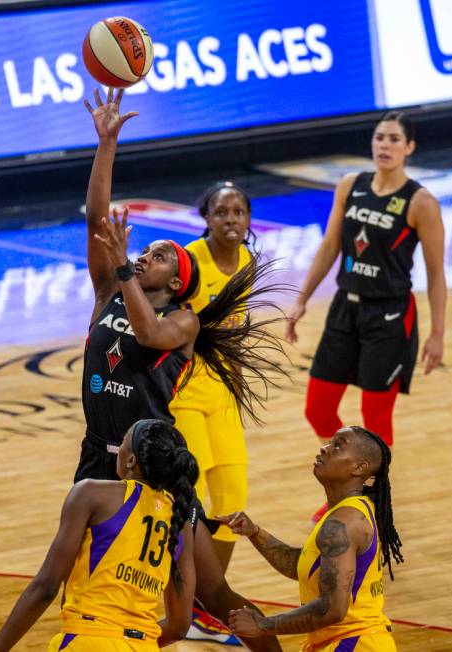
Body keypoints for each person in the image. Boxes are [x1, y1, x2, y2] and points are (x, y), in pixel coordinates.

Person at [76, 87, 284, 651]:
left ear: (176, 283)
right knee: (78, 581)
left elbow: (147, 335)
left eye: (162, 254)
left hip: (156, 467)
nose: (148, 253)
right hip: (100, 453)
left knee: (213, 596)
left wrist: (124, 267)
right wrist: (106, 144)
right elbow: (98, 216)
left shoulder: (183, 323)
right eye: (147, 251)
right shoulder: (108, 291)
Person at [285, 111, 446, 521]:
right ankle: (349, 481)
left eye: (394, 139)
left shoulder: (421, 202)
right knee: (317, 409)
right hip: (345, 308)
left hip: (390, 317)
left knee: (376, 420)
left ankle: (372, 503)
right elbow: (329, 245)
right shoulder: (350, 186)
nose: (384, 145)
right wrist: (302, 298)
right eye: (379, 138)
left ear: (409, 147)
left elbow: (436, 272)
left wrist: (437, 335)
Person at [0, 419, 199, 651]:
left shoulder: (92, 494)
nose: (118, 448)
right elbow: (179, 627)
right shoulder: (180, 521)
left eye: (123, 441)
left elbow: (46, 588)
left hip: (88, 639)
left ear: (131, 460)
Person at [220, 426, 403, 652]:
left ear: (359, 467)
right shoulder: (347, 512)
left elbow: (333, 609)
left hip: (353, 643)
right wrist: (255, 532)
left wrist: (263, 625)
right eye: (330, 442)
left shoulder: (343, 523)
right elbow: (305, 567)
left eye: (338, 446)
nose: (324, 448)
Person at [171, 180, 256, 574]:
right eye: (221, 212)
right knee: (191, 498)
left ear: (248, 218)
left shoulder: (248, 263)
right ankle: (179, 591)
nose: (230, 220)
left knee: (232, 498)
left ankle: (209, 598)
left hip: (221, 391)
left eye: (238, 212)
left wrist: (237, 387)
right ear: (206, 217)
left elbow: (236, 330)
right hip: (183, 391)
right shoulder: (188, 260)